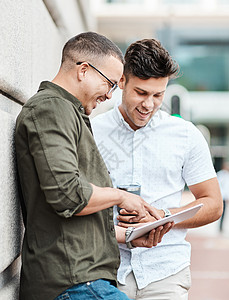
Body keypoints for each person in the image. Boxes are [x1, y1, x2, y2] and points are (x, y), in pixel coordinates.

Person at [15, 32, 169, 300]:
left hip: (81, 282)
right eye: (109, 83)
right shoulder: (51, 109)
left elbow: (74, 217)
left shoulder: (68, 112)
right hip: (73, 283)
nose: (110, 95)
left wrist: (127, 237)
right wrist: (121, 196)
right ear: (83, 70)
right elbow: (68, 195)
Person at [91, 38, 223, 300]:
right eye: (141, 92)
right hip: (106, 271)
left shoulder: (186, 135)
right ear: (122, 82)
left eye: (158, 95)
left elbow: (213, 204)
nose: (149, 104)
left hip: (166, 271)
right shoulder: (92, 131)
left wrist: (164, 216)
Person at [217, 161, 229, 232]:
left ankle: (221, 227)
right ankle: (220, 227)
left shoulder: (227, 175)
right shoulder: (220, 174)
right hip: (221, 196)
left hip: (225, 197)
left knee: (224, 212)